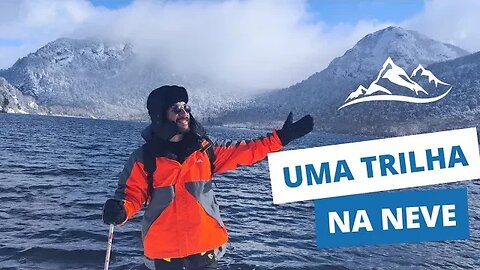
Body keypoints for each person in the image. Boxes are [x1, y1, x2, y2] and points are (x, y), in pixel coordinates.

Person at [102, 85, 313, 270]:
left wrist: (281, 138)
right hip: (164, 253)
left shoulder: (205, 151)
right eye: (176, 109)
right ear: (160, 115)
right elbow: (131, 196)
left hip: (204, 249)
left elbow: (247, 151)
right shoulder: (144, 158)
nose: (184, 113)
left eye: (186, 108)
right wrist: (121, 210)